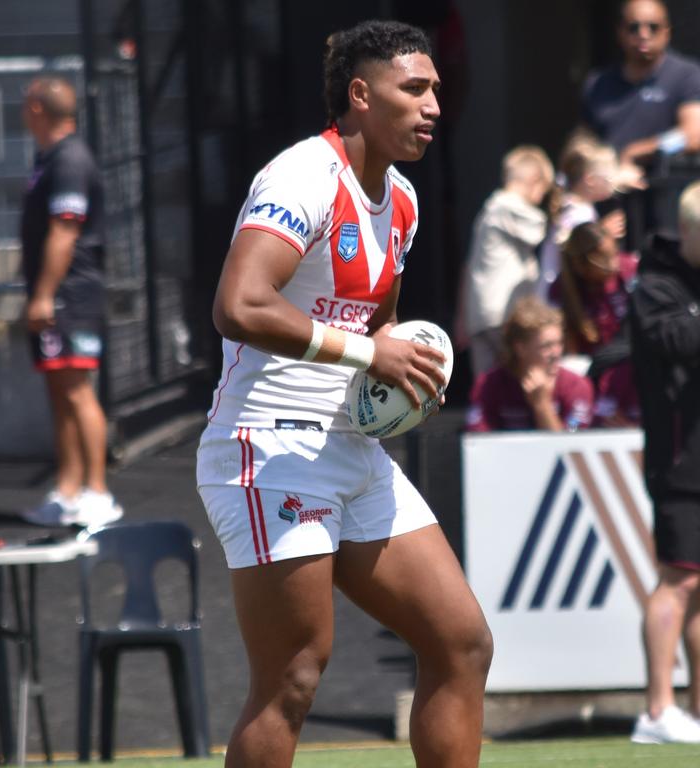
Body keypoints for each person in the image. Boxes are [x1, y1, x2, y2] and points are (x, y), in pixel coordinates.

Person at [196, 21, 492, 768]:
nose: (432, 106)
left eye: (436, 90)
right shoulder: (302, 177)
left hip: (349, 446)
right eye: (414, 89)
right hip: (269, 446)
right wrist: (370, 351)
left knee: (460, 642)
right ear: (360, 95)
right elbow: (240, 305)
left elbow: (378, 325)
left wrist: (397, 381)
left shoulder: (403, 201)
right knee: (293, 674)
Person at [19, 76, 123, 528]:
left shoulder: (70, 161)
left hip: (71, 297)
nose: (23, 112)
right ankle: (68, 491)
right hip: (55, 299)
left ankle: (98, 491)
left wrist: (44, 294)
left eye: (27, 105)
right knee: (59, 392)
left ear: (39, 110)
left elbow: (65, 231)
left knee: (78, 391)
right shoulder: (48, 159)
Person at [627, 180, 700, 744]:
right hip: (679, 460)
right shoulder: (653, 286)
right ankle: (656, 711)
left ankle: (694, 714)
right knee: (676, 579)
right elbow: (674, 341)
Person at [456, 145, 553, 378]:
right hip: (504, 314)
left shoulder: (488, 211)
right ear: (534, 179)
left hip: (481, 315)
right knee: (518, 380)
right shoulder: (508, 206)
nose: (541, 199)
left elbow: (469, 267)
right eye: (543, 190)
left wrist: (462, 316)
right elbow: (546, 230)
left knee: (487, 383)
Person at [581, 0, 700, 168]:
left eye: (653, 27)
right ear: (620, 32)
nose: (643, 34)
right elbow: (585, 139)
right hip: (610, 185)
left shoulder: (686, 75)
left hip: (663, 187)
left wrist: (643, 151)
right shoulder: (598, 83)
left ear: (667, 32)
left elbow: (694, 134)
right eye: (634, 27)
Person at [466, 296, 594, 432]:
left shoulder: (577, 386)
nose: (556, 353)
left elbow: (571, 447)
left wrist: (542, 405)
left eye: (559, 343)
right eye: (547, 346)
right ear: (520, 348)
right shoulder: (488, 385)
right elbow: (477, 442)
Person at [538, 131, 643, 295]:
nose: (613, 180)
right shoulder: (577, 215)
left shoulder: (572, 204)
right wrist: (602, 235)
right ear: (591, 180)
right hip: (560, 300)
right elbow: (575, 253)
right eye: (609, 176)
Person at [550, 221, 637, 357]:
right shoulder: (561, 292)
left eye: (615, 254)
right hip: (593, 367)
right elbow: (569, 356)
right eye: (605, 260)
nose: (615, 264)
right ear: (582, 267)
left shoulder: (630, 268)